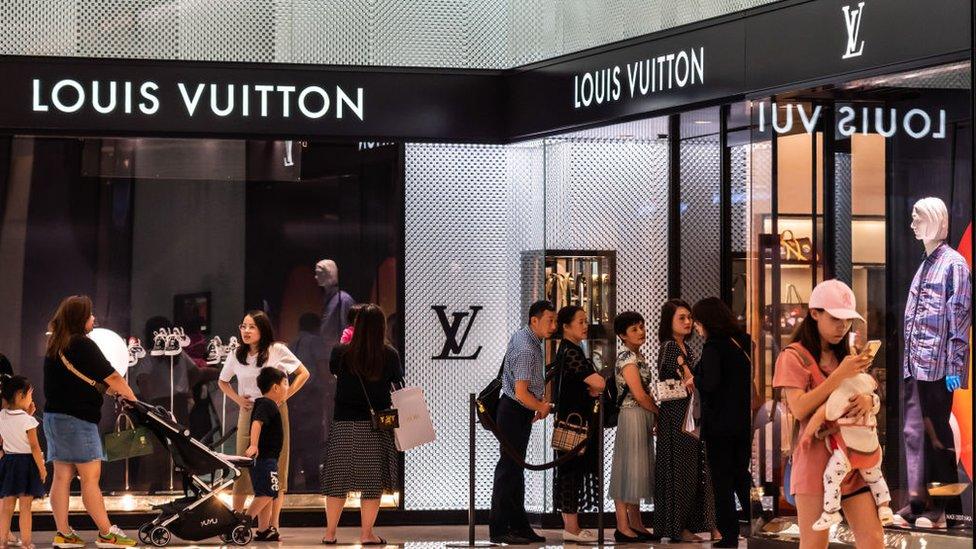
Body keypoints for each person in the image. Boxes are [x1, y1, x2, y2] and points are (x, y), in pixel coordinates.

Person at [772, 279, 882, 549]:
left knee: (873, 539)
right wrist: (839, 376)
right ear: (814, 314)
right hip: (814, 461)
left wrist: (870, 400)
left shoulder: (847, 355)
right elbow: (799, 408)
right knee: (814, 543)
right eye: (835, 319)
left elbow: (861, 390)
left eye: (847, 321)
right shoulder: (793, 356)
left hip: (854, 457)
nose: (842, 327)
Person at [42, 295, 138, 548]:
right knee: (90, 478)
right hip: (77, 420)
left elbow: (77, 381)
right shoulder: (83, 344)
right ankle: (107, 533)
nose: (94, 318)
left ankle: (64, 533)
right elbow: (113, 376)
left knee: (61, 477)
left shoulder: (55, 344)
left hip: (54, 418)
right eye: (90, 314)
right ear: (80, 319)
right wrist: (134, 401)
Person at [218, 310, 310, 540]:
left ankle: (270, 526)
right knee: (242, 467)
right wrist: (239, 399)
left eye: (251, 327)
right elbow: (222, 381)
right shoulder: (236, 354)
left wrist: (283, 398)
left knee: (276, 468)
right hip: (248, 412)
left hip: (276, 413)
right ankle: (236, 521)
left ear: (262, 329)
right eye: (243, 326)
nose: (246, 331)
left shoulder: (276, 350)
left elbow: (303, 373)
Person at [320, 304, 403, 545]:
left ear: (356, 325)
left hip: (344, 422)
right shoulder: (389, 354)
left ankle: (330, 533)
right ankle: (366, 534)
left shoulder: (340, 352)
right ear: (381, 327)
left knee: (337, 481)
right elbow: (396, 382)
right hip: (377, 424)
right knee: (371, 483)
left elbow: (334, 372)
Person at [488, 300, 557, 545]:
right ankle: (499, 529)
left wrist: (536, 404)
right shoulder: (527, 347)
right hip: (514, 411)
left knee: (514, 471)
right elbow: (521, 392)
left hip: (517, 411)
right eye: (549, 320)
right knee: (508, 471)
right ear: (534, 320)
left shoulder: (527, 338)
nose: (553, 325)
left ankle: (518, 526)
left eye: (555, 320)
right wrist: (541, 406)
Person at [689, 297, 754, 547]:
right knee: (741, 475)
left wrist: (695, 380)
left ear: (706, 321)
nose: (695, 326)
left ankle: (729, 534)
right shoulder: (743, 341)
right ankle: (760, 519)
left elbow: (711, 384)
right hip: (743, 422)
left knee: (722, 481)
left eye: (697, 321)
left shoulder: (714, 347)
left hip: (720, 425)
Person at [653, 299, 717, 543]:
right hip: (677, 416)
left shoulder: (685, 348)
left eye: (689, 318)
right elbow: (689, 381)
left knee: (691, 470)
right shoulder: (670, 347)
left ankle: (687, 525)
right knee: (680, 471)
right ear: (669, 321)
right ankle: (677, 527)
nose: (688, 322)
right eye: (682, 318)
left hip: (687, 415)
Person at [804, 371, 892, 531]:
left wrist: (808, 435)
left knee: (831, 477)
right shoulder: (869, 395)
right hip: (871, 449)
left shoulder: (841, 394)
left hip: (848, 452)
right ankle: (884, 506)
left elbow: (826, 413)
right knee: (876, 477)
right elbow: (877, 402)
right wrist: (871, 399)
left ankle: (831, 511)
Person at [551, 306, 605, 543]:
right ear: (566, 326)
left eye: (586, 321)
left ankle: (572, 526)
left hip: (575, 421)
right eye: (581, 322)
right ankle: (571, 528)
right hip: (574, 423)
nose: (585, 326)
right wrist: (597, 385)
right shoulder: (571, 352)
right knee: (570, 472)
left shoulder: (572, 350)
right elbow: (598, 383)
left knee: (570, 472)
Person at [608, 311, 660, 542]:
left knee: (637, 470)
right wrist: (659, 412)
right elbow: (639, 395)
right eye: (634, 329)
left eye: (641, 327)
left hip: (640, 416)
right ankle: (622, 525)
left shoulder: (636, 357)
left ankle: (636, 523)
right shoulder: (627, 359)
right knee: (627, 469)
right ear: (622, 335)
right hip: (632, 416)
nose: (641, 332)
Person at [0, 376, 46, 549]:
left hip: (9, 463)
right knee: (25, 507)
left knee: (7, 506)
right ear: (20, 396)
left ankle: (2, 541)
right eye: (30, 396)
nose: (32, 400)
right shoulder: (29, 421)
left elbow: (4, 438)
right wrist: (42, 469)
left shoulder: (2, 415)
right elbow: (34, 447)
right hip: (26, 464)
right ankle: (26, 543)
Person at [244, 368, 289, 540]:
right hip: (264, 458)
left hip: (266, 459)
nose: (287, 387)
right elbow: (257, 423)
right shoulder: (267, 404)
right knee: (268, 493)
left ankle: (263, 530)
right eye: (285, 383)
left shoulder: (265, 403)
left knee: (266, 493)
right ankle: (244, 522)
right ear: (275, 387)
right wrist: (254, 445)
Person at [288, 313, 331, 491]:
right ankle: (313, 486)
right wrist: (330, 388)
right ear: (316, 326)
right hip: (311, 398)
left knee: (293, 444)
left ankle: (289, 485)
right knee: (312, 445)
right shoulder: (316, 341)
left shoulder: (292, 344)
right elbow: (323, 369)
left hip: (293, 399)